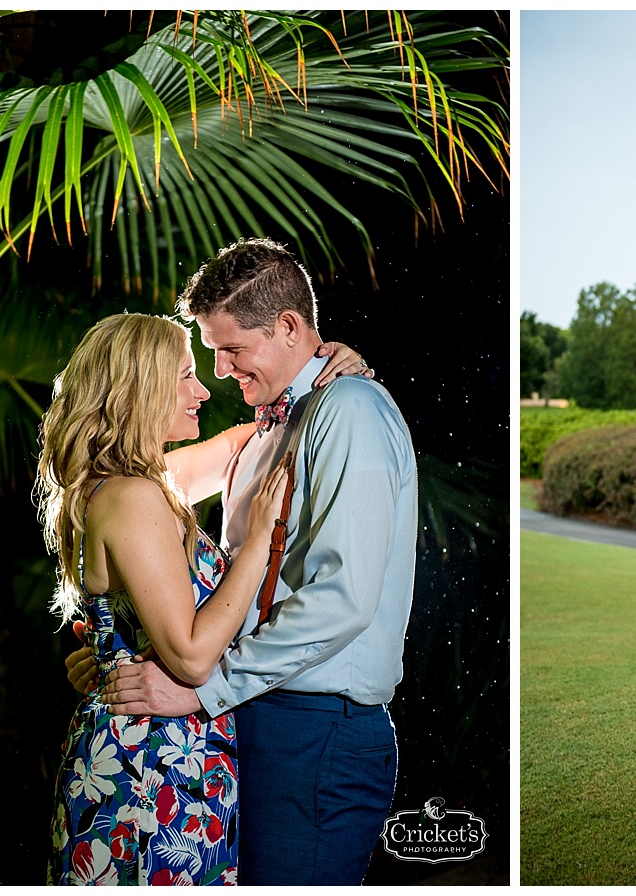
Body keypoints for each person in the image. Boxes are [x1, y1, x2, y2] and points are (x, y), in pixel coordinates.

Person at [81, 238, 419, 885]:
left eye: (231, 350)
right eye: (205, 358)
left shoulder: (349, 410)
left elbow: (344, 599)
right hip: (244, 715)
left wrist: (203, 688)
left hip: (314, 727)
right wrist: (119, 650)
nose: (220, 373)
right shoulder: (265, 433)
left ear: (289, 326)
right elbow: (134, 508)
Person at [37, 312, 293, 885]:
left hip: (163, 752)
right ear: (140, 389)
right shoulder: (131, 498)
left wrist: (322, 370)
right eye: (185, 376)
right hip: (150, 770)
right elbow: (192, 656)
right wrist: (261, 538)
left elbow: (237, 446)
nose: (203, 391)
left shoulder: (139, 483)